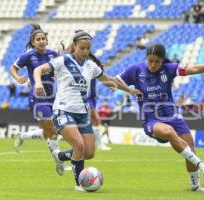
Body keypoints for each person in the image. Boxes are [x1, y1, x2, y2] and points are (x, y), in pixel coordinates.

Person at [33, 30, 140, 191]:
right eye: (82, 48)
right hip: (63, 110)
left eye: (87, 49)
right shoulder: (62, 61)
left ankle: (60, 156)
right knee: (79, 145)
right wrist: (38, 83)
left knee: (89, 153)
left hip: (82, 114)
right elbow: (38, 70)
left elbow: (109, 80)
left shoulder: (91, 66)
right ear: (74, 46)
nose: (85, 52)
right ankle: (79, 185)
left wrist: (129, 90)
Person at [116, 44, 204, 193]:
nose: (153, 65)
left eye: (157, 61)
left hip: (172, 115)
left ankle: (195, 186)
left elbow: (193, 69)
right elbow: (114, 81)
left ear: (163, 61)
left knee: (190, 146)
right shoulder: (136, 70)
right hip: (151, 118)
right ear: (146, 58)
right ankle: (200, 163)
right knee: (168, 132)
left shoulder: (169, 68)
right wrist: (129, 90)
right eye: (150, 61)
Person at [9, 24, 62, 173]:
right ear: (33, 42)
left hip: (54, 97)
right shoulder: (28, 56)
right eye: (38, 39)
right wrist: (18, 77)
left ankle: (23, 136)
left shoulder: (53, 54)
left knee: (50, 132)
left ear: (47, 40)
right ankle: (59, 162)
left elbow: (63, 66)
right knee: (52, 132)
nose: (41, 41)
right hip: (38, 99)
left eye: (43, 38)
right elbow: (13, 68)